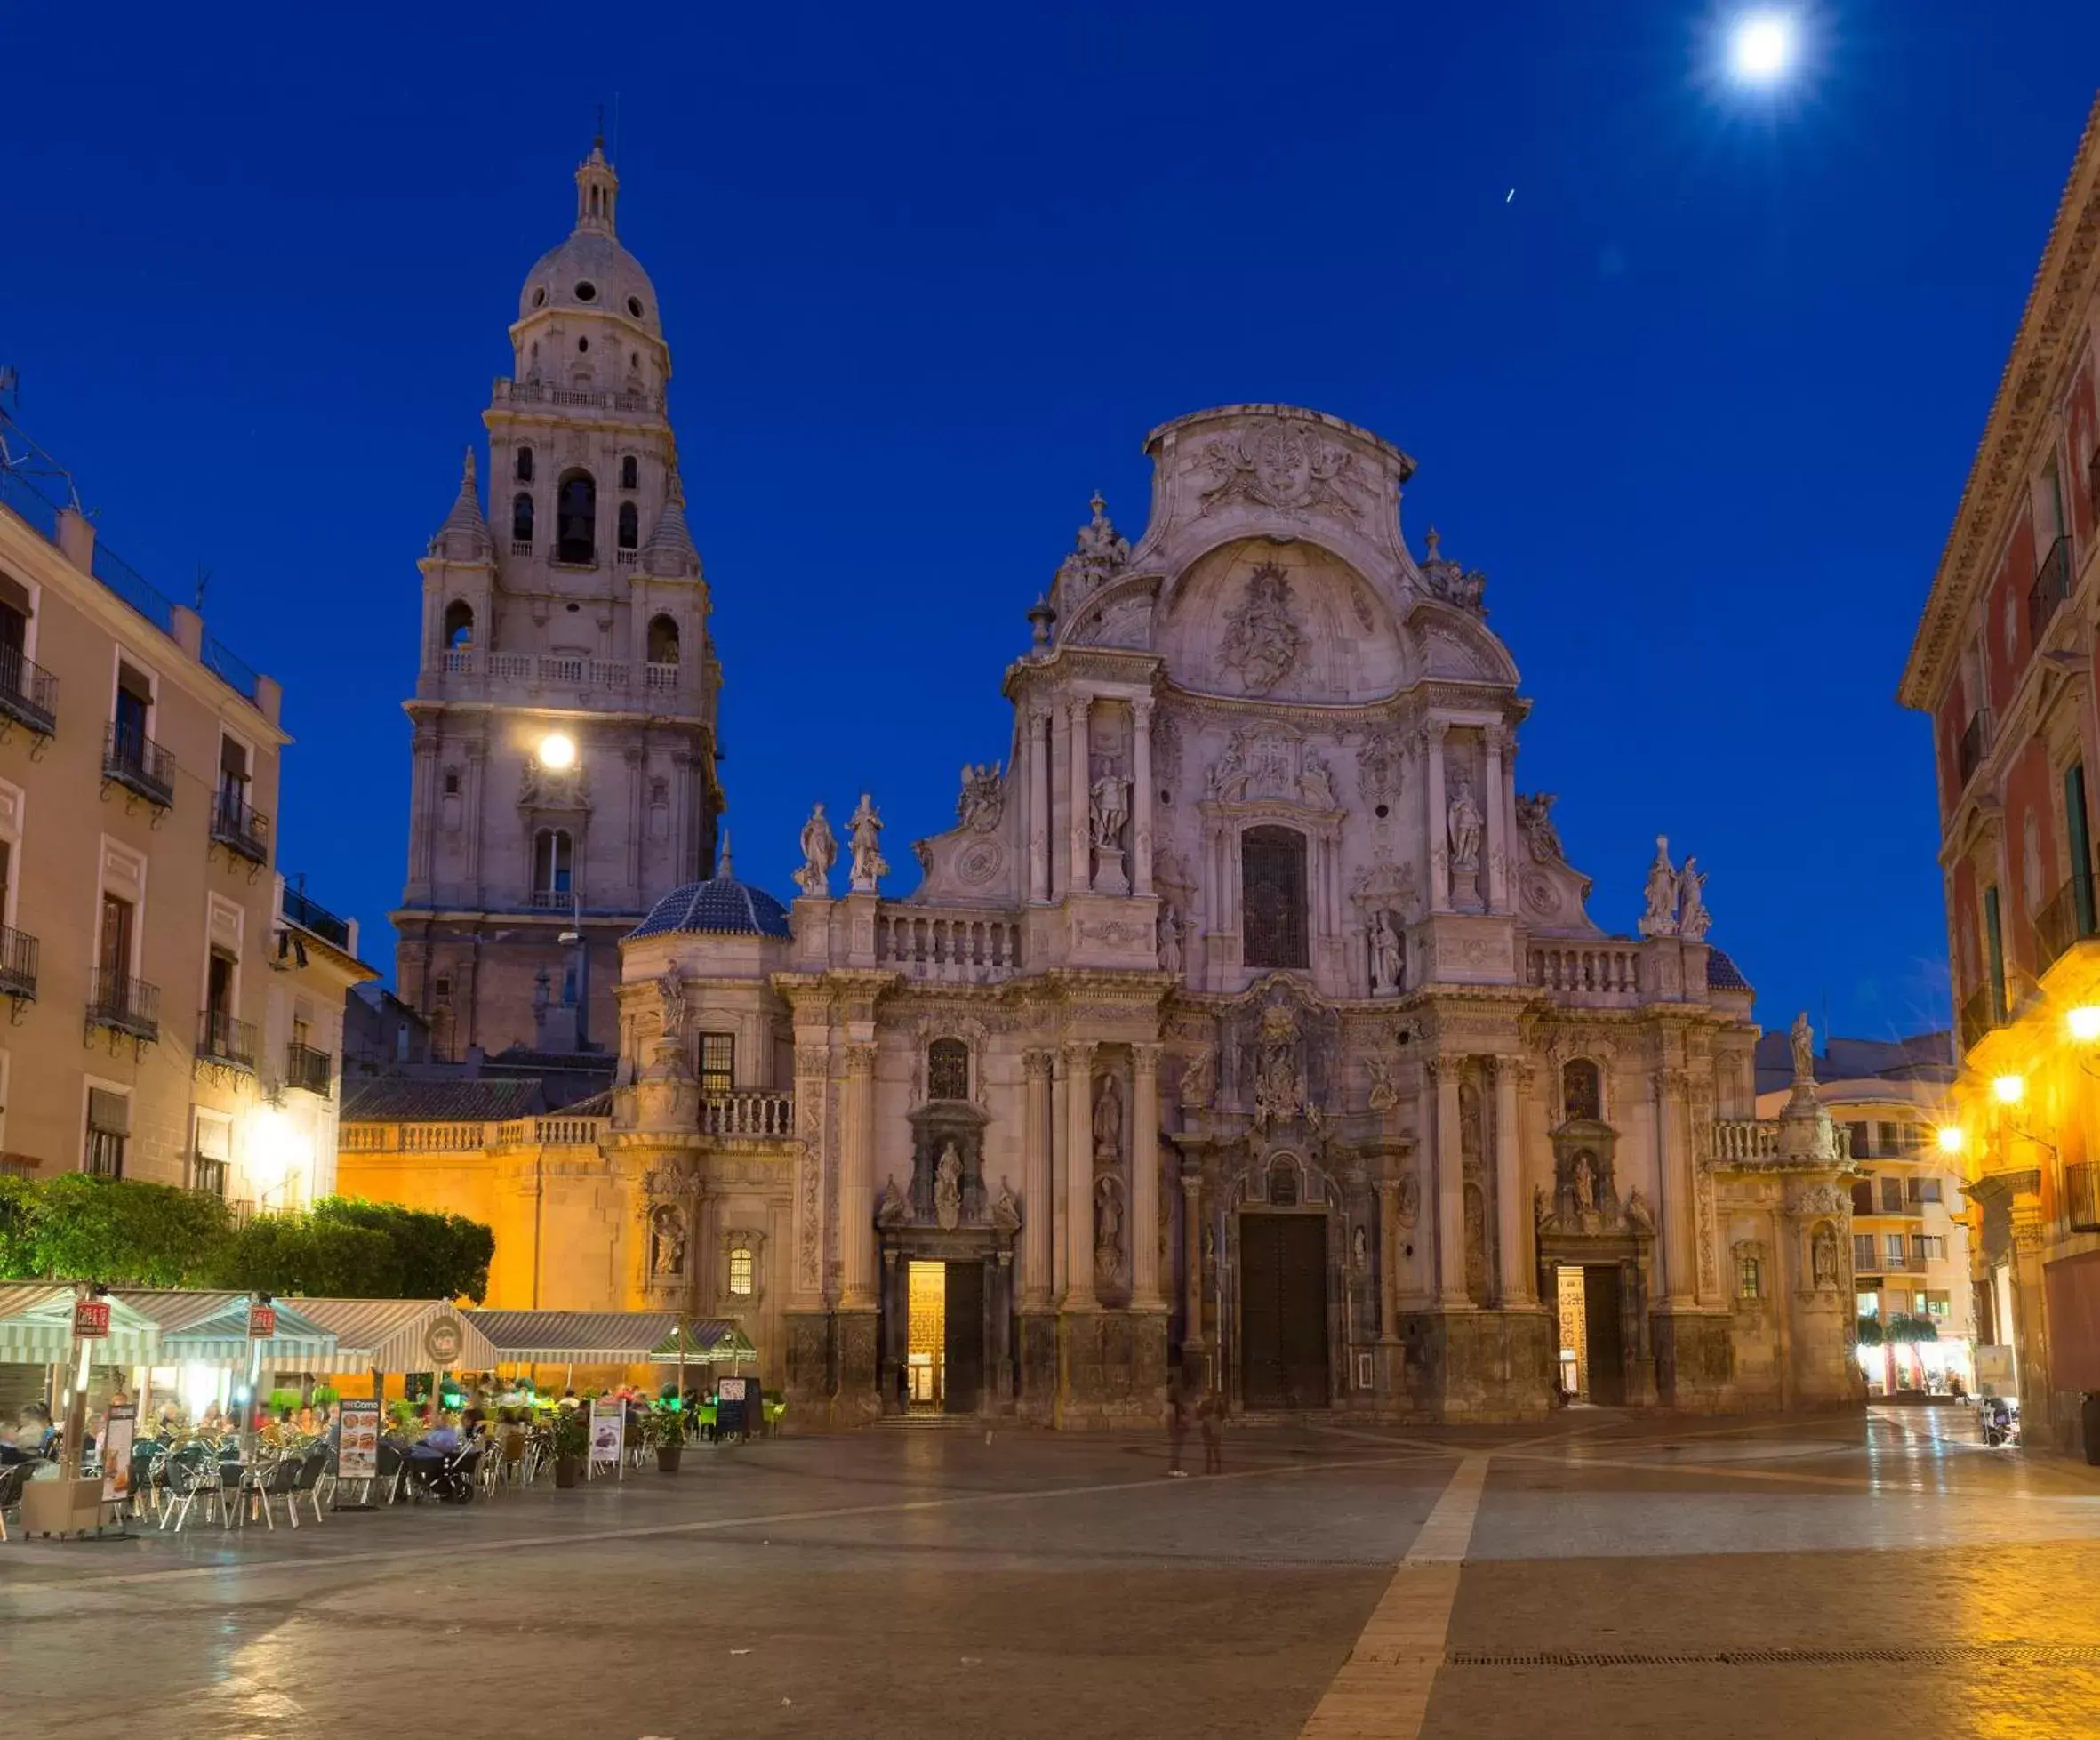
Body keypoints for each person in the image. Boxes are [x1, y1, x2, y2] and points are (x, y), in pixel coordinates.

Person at [1165, 1381, 1190, 1479]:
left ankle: (1175, 1468)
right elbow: (1171, 1418)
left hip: (1178, 1430)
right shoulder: (1174, 1405)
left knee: (1176, 1451)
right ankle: (1174, 1469)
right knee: (1176, 1451)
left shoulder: (1176, 1405)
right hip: (1177, 1430)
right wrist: (1175, 1429)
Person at [1199, 1385, 1224, 1476]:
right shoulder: (1218, 1403)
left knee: (1208, 1449)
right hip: (1215, 1428)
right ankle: (1218, 1467)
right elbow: (1222, 1415)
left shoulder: (1203, 1403)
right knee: (1216, 1449)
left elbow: (1199, 1415)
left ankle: (1208, 1468)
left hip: (1206, 1427)